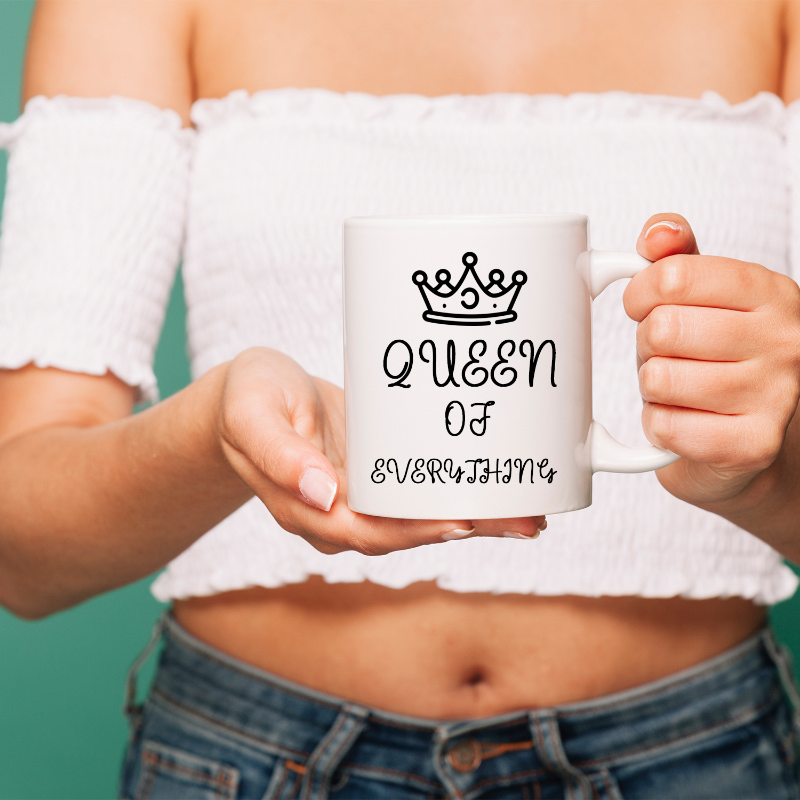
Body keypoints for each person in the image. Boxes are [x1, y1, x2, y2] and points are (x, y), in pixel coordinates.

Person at [1, 0, 800, 797]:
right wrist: (217, 436)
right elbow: (21, 556)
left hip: (701, 759)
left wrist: (763, 471)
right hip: (247, 759)